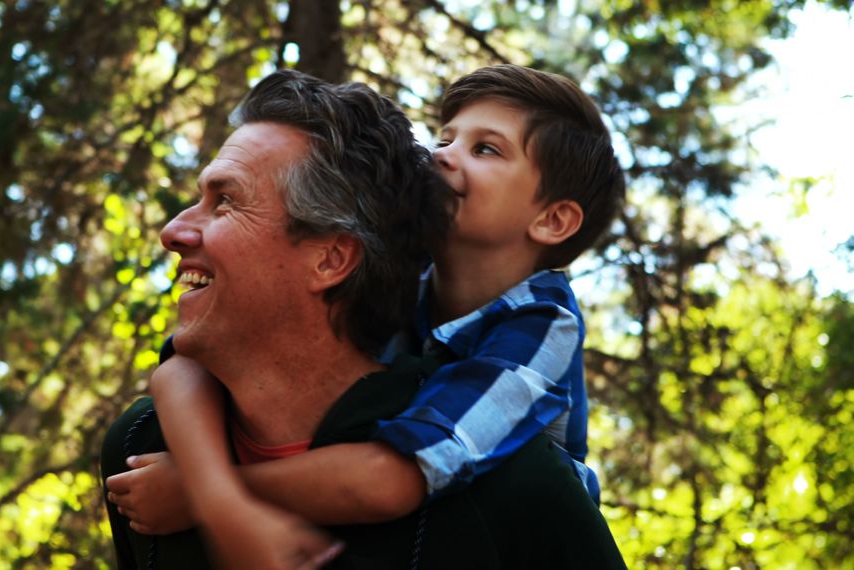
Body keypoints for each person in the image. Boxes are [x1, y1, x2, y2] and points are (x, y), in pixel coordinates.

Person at [101, 68, 625, 569]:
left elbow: (396, 476)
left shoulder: (539, 326)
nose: (443, 157)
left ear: (553, 219)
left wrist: (210, 493)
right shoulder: (410, 279)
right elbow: (185, 364)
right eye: (444, 140)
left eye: (485, 149)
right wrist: (213, 489)